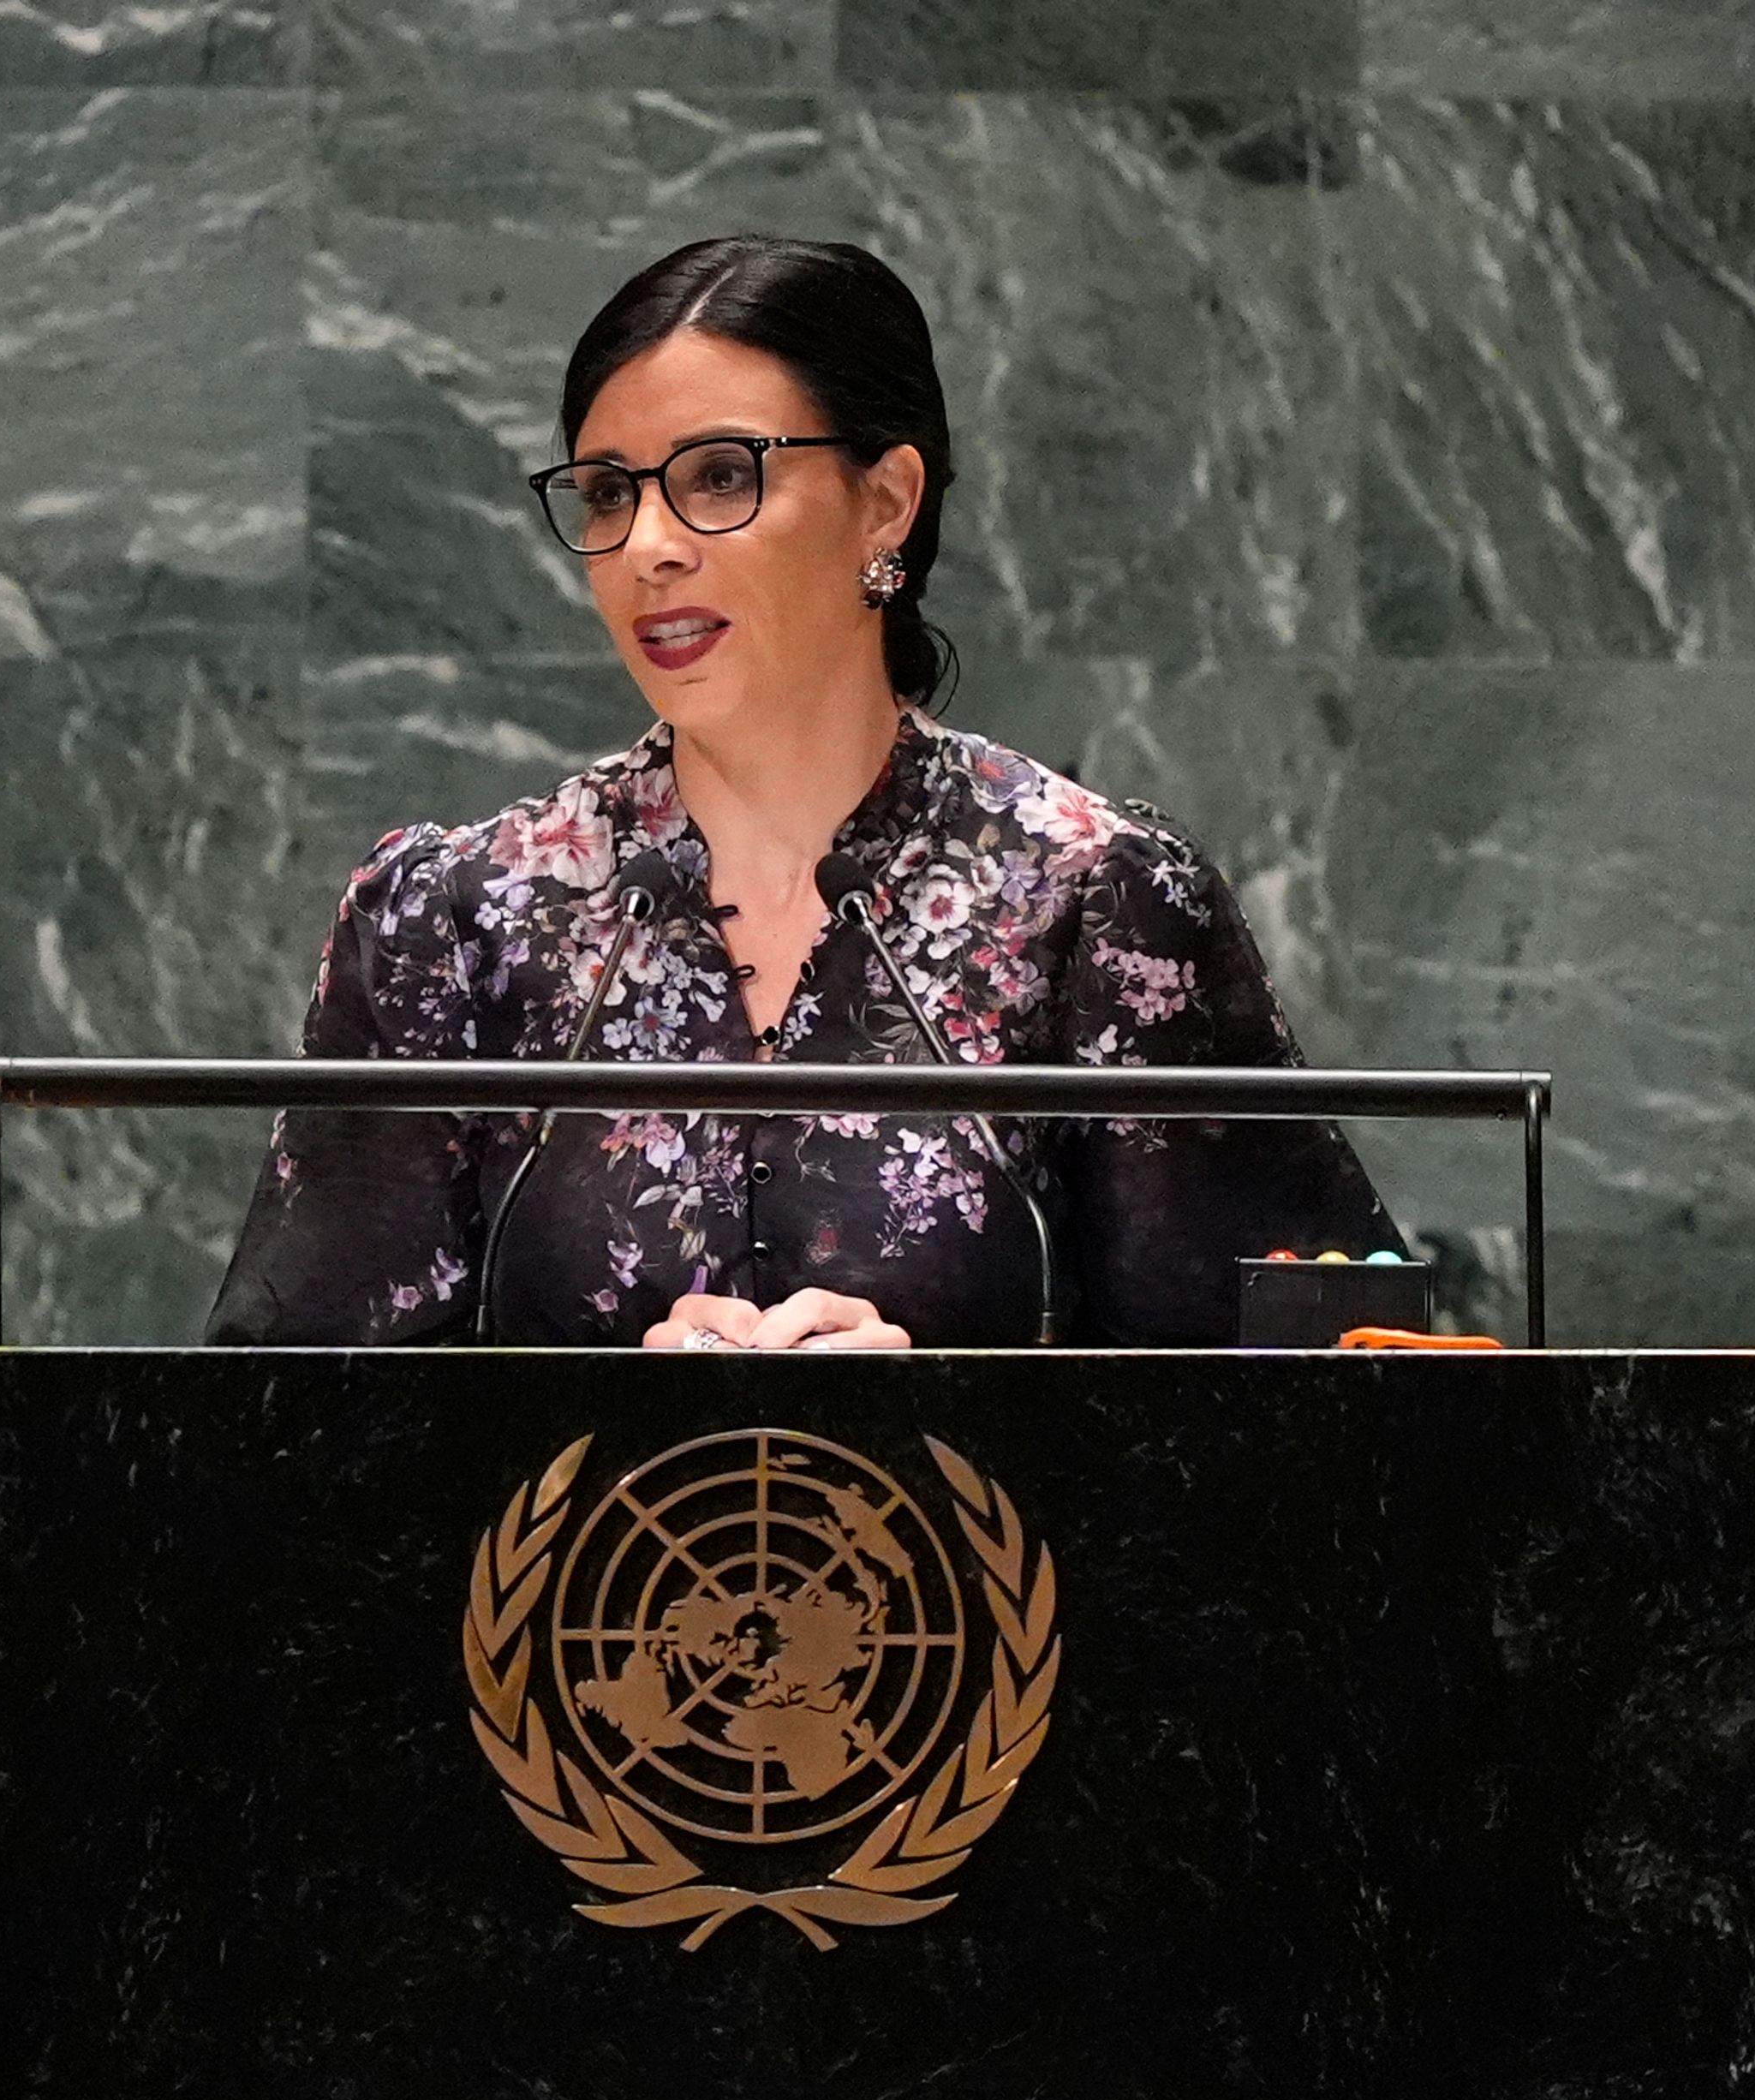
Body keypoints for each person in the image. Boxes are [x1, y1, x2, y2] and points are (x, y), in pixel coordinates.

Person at [205, 235, 1400, 1350]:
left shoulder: (1102, 902)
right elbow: (287, 1449)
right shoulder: (452, 920)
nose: (648, 546)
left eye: (719, 477)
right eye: (610, 493)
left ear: (886, 501)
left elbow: (1300, 1444)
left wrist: (925, 1433)